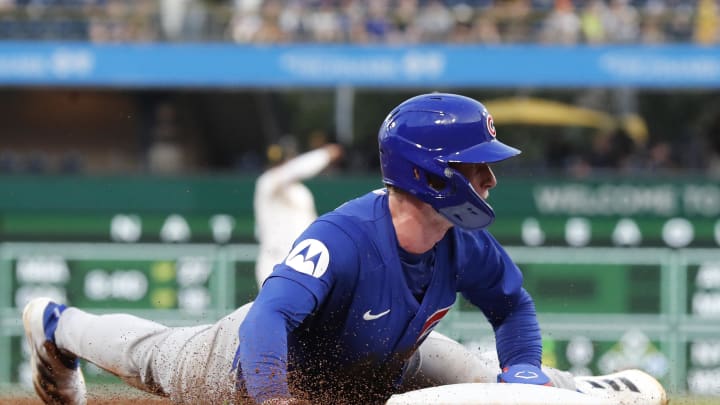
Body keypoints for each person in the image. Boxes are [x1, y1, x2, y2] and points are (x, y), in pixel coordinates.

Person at [22, 93, 667, 405]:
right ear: (428, 173)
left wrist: (524, 374)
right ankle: (57, 325)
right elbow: (272, 317)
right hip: (262, 362)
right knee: (157, 360)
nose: (490, 180)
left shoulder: (464, 240)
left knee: (491, 380)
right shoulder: (344, 238)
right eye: (476, 166)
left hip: (386, 359)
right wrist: (275, 400)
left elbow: (513, 308)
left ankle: (592, 393)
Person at [253, 136, 344, 288]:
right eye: (275, 164)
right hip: (274, 262)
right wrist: (324, 154)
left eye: (281, 162)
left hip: (304, 262)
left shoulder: (301, 192)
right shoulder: (266, 182)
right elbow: (291, 171)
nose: (279, 167)